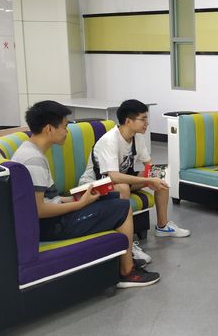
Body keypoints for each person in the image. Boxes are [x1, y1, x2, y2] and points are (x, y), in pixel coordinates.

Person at [12, 100, 160, 288]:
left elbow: (48, 199)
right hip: (52, 225)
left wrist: (75, 197)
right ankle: (126, 271)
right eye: (65, 126)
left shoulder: (30, 151)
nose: (67, 132)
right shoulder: (34, 159)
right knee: (122, 208)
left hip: (52, 218)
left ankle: (123, 258)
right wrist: (80, 204)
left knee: (113, 197)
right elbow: (39, 209)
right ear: (49, 129)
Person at [79, 99, 189, 264]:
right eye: (143, 119)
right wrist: (148, 179)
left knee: (159, 175)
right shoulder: (110, 140)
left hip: (118, 180)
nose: (147, 123)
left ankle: (162, 226)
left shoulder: (137, 138)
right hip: (94, 185)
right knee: (124, 187)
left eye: (146, 118)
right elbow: (113, 176)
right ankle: (127, 245)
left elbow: (149, 165)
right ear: (128, 121)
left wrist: (154, 177)